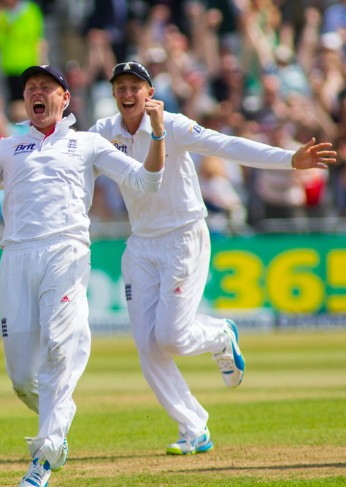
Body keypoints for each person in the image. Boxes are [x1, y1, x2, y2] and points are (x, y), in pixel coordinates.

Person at [88, 61, 337, 455]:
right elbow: (66, 159)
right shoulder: (103, 132)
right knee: (147, 345)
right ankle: (194, 429)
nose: (127, 93)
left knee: (170, 337)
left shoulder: (174, 125)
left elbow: (227, 145)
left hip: (183, 236)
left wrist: (289, 159)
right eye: (120, 87)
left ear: (150, 93)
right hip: (140, 244)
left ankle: (221, 334)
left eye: (135, 86)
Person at [0, 64, 165, 487]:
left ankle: (44, 458)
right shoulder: (6, 148)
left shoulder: (87, 144)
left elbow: (147, 182)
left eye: (46, 88)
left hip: (66, 251)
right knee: (21, 379)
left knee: (60, 347)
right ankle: (59, 419)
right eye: (31, 88)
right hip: (15, 257)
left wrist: (157, 134)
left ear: (64, 99)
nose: (38, 93)